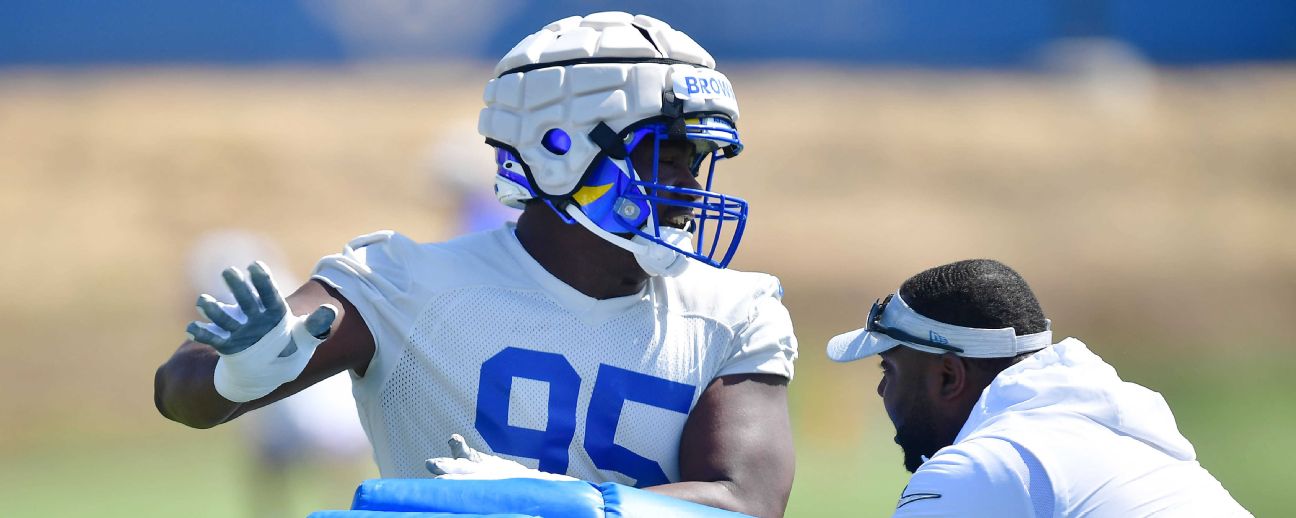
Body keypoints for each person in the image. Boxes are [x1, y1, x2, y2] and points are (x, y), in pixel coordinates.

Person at [154, 11, 797, 518]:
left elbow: (746, 503)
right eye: (665, 154)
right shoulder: (404, 284)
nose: (690, 184)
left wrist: (541, 504)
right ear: (559, 151)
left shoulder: (734, 311)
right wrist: (240, 371)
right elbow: (184, 395)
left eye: (699, 158)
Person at [826, 259, 1250, 517]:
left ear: (949, 377)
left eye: (890, 369)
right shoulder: (1125, 432)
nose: (882, 391)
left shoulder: (980, 468)